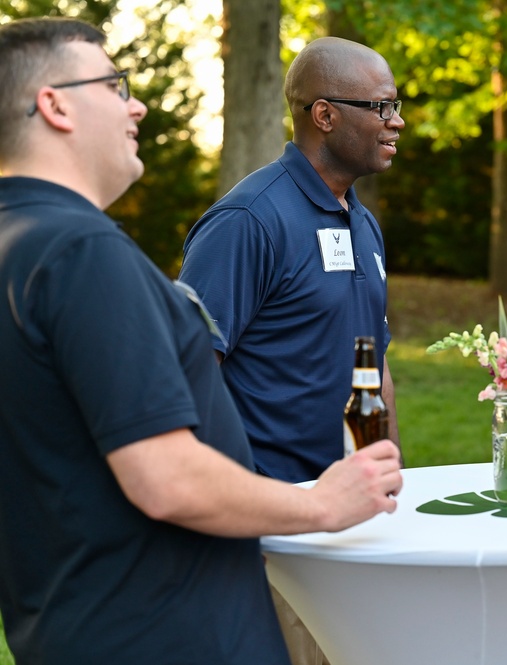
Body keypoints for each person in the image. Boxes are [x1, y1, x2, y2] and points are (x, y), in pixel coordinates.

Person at [0, 17, 402, 665]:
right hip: (163, 625)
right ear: (54, 104)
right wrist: (319, 503)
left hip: (69, 618)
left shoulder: (21, 240)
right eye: (114, 84)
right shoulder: (81, 250)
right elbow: (163, 475)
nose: (138, 102)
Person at [177, 36, 405, 665]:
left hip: (354, 517)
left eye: (396, 105)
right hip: (277, 530)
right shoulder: (248, 221)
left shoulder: (361, 220)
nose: (398, 121)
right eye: (381, 107)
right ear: (324, 114)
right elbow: (188, 369)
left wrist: (386, 469)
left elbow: (372, 355)